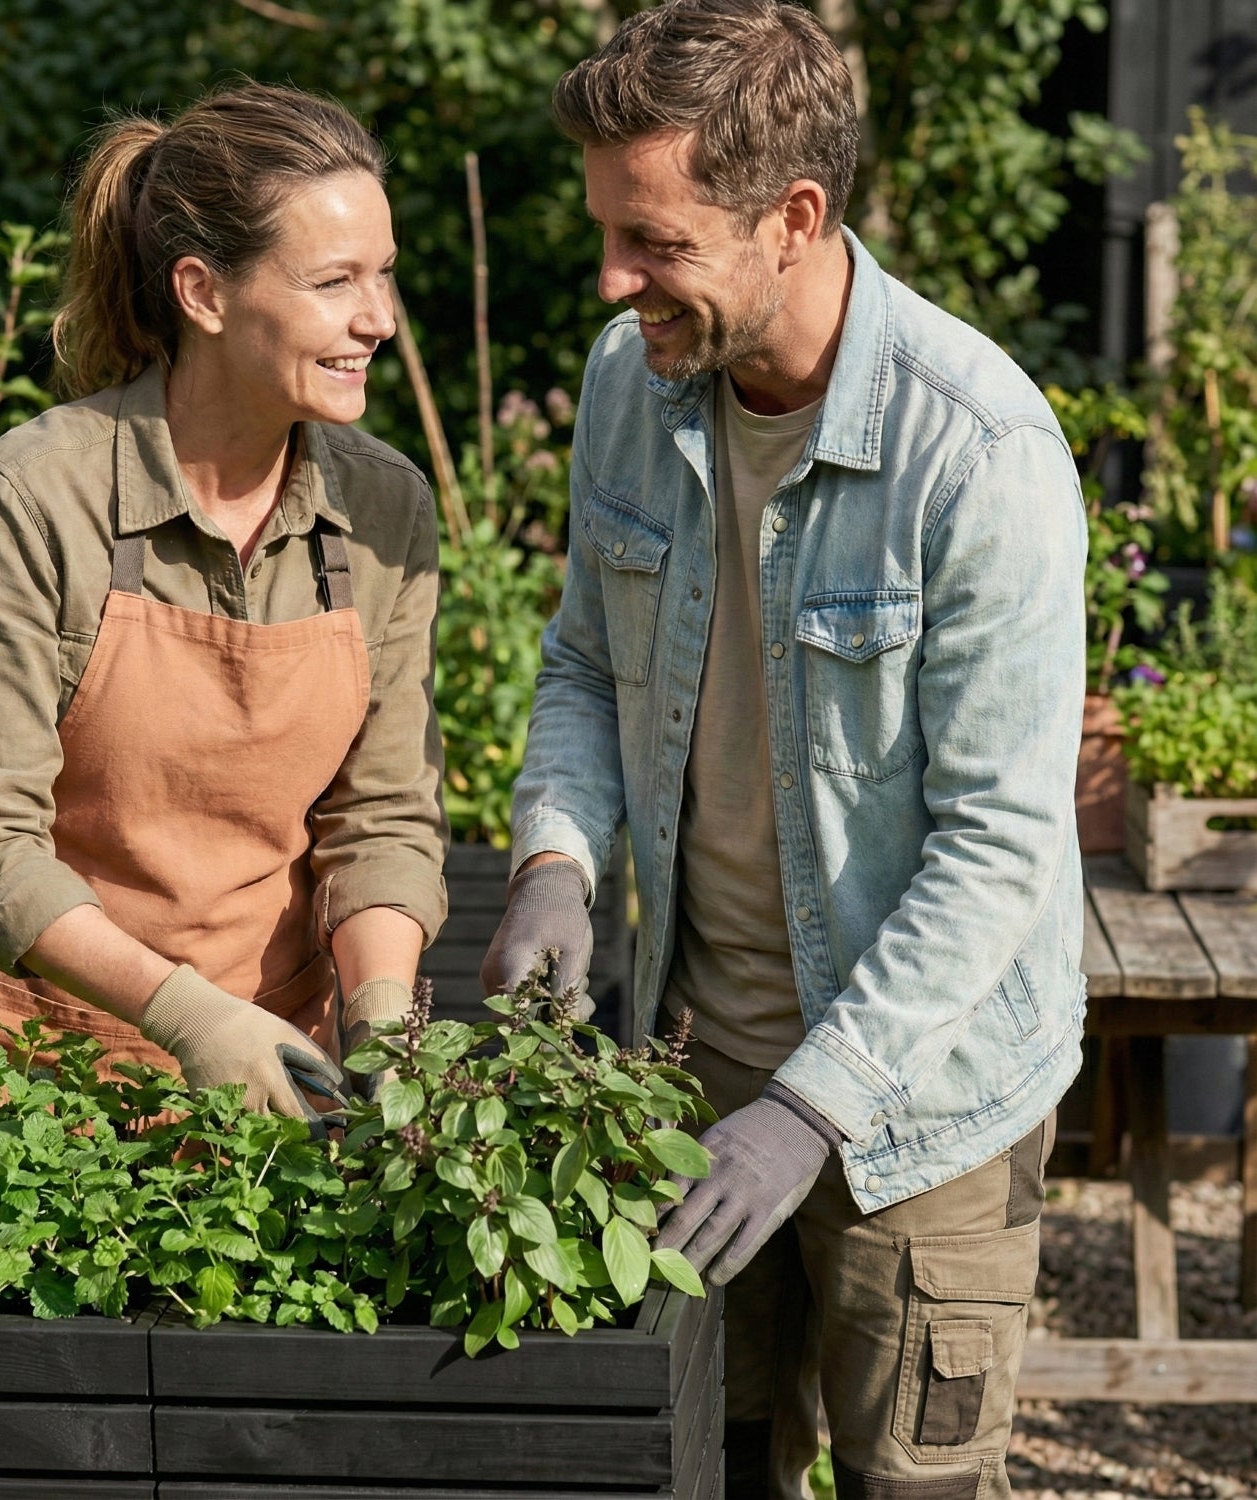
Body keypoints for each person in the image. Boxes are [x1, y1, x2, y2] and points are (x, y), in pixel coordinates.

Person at [480, 3, 1086, 1495]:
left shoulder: (980, 455)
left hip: (919, 1112)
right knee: (714, 1464)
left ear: (795, 217)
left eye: (655, 243)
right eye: (608, 234)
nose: (616, 285)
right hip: (692, 1072)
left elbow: (1003, 847)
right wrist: (558, 856)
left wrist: (810, 1110)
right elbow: (579, 662)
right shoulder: (635, 383)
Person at [0, 82, 448, 1132]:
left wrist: (379, 1025)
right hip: (18, 1088)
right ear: (203, 292)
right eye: (333, 281)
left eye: (383, 275)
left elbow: (378, 815)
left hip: (274, 1087)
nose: (377, 318)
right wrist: (192, 1020)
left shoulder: (384, 510)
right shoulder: (37, 496)